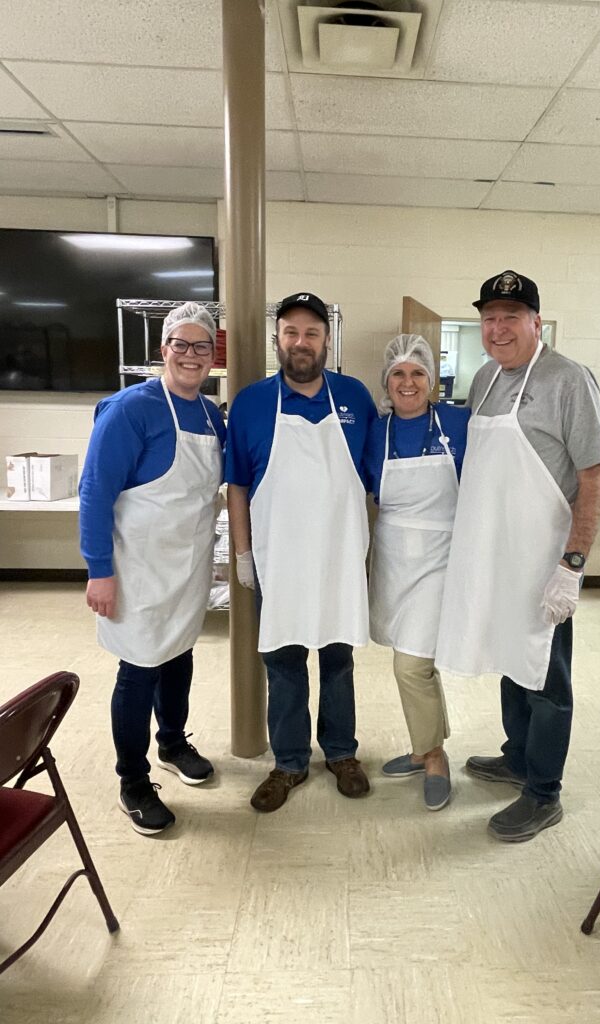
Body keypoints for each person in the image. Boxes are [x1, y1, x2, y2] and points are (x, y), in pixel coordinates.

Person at [436, 270, 600, 842]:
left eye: (511, 317)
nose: (498, 328)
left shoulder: (569, 380)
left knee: (546, 675)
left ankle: (544, 792)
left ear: (537, 321)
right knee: (511, 659)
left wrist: (572, 566)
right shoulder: (484, 377)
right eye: (489, 318)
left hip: (542, 561)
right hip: (494, 551)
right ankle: (518, 758)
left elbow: (593, 478)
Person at [225, 291, 377, 813]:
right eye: (291, 332)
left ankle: (341, 753)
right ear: (277, 340)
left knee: (339, 660)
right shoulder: (250, 403)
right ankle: (289, 762)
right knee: (284, 662)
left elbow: (377, 482)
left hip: (338, 558)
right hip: (279, 560)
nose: (301, 342)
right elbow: (238, 487)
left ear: (327, 340)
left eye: (312, 332)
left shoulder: (354, 398)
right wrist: (243, 555)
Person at [79, 301, 225, 836]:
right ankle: (133, 782)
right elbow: (95, 493)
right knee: (138, 670)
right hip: (135, 569)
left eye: (201, 346)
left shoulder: (211, 415)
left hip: (186, 567)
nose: (190, 355)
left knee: (178, 655)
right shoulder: (130, 409)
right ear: (162, 349)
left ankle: (172, 742)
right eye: (180, 345)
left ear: (213, 354)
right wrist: (99, 570)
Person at [365, 335, 470, 811]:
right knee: (415, 661)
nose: (408, 383)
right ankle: (422, 745)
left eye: (418, 373)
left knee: (412, 664)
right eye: (398, 374)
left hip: (441, 557)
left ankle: (434, 757)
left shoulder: (459, 423)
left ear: (433, 380)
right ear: (387, 382)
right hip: (392, 557)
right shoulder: (376, 431)